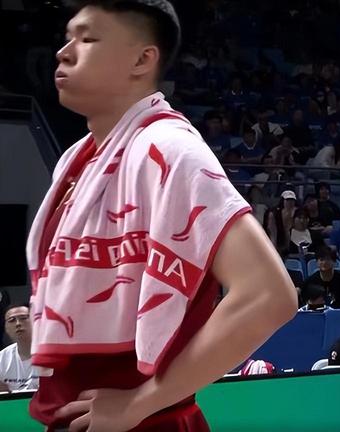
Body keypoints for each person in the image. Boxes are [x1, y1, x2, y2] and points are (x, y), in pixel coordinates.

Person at [27, 2, 297, 430]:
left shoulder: (169, 148)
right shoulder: (77, 160)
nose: (64, 51)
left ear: (142, 60)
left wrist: (139, 402)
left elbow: (269, 296)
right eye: (68, 37)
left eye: (88, 38)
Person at [0, 304, 38, 393]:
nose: (18, 323)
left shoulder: (53, 354)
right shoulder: (2, 359)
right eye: (12, 320)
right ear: (6, 328)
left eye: (23, 318)